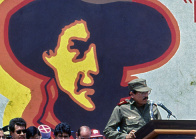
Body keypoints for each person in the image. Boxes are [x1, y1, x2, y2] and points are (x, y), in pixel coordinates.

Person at [6, 0, 178, 129]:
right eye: (78, 48)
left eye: (106, 50)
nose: (95, 67)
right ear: (50, 55)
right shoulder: (39, 129)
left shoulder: (142, 109)